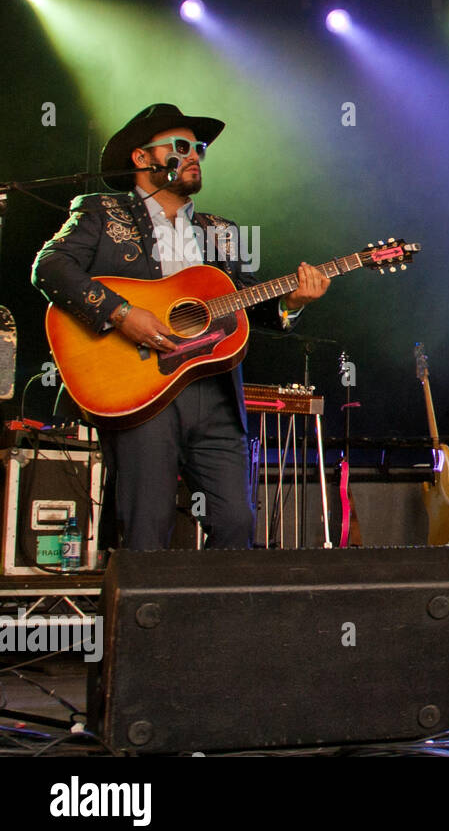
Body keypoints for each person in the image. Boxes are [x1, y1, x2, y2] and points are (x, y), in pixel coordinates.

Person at [32, 103, 331, 550]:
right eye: (181, 147)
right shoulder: (100, 211)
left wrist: (291, 302)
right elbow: (50, 267)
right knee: (145, 530)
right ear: (141, 158)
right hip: (140, 388)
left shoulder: (221, 231)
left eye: (199, 149)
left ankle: (215, 620)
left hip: (213, 395)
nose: (194, 155)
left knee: (235, 523)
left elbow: (245, 299)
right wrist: (121, 313)